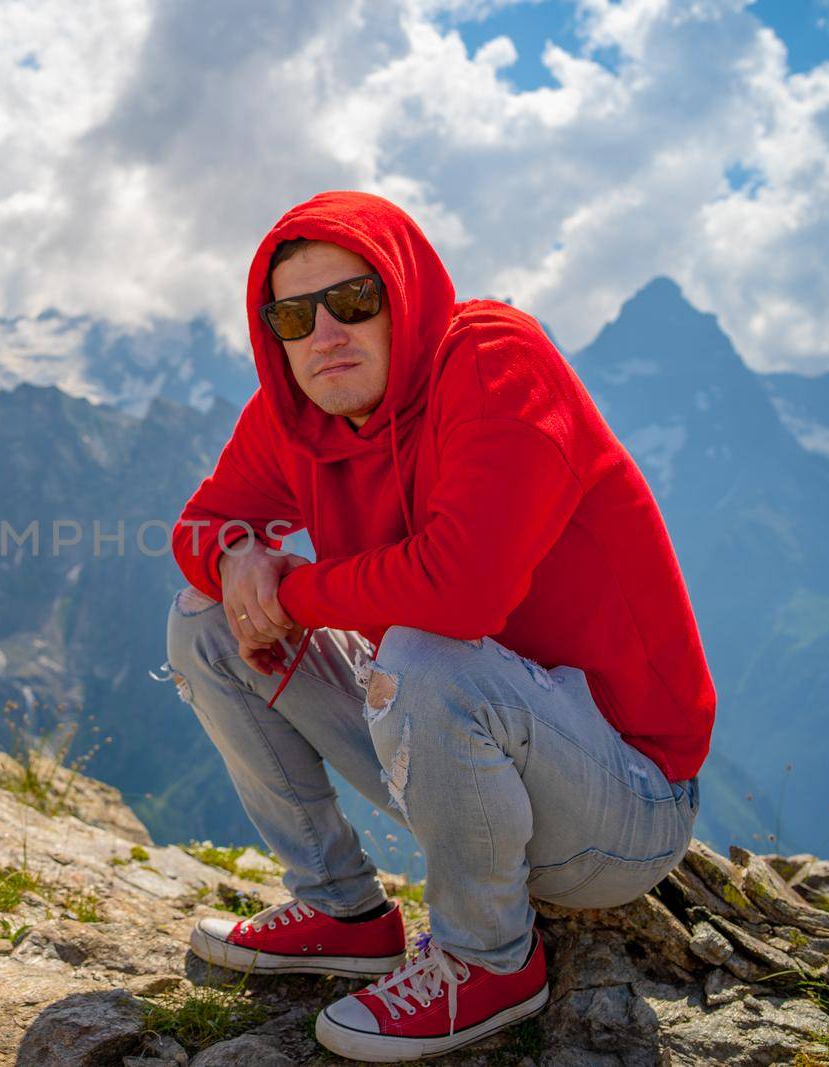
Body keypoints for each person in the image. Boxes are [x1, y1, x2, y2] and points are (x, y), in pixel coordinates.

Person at [164, 190, 714, 1061]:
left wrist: (289, 589)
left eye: (354, 300)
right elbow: (197, 527)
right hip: (461, 759)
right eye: (294, 317)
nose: (325, 334)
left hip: (623, 804)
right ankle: (343, 908)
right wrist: (236, 561)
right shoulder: (296, 411)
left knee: (428, 649)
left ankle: (489, 960)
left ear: (405, 295)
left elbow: (462, 593)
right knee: (204, 620)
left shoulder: (496, 363)